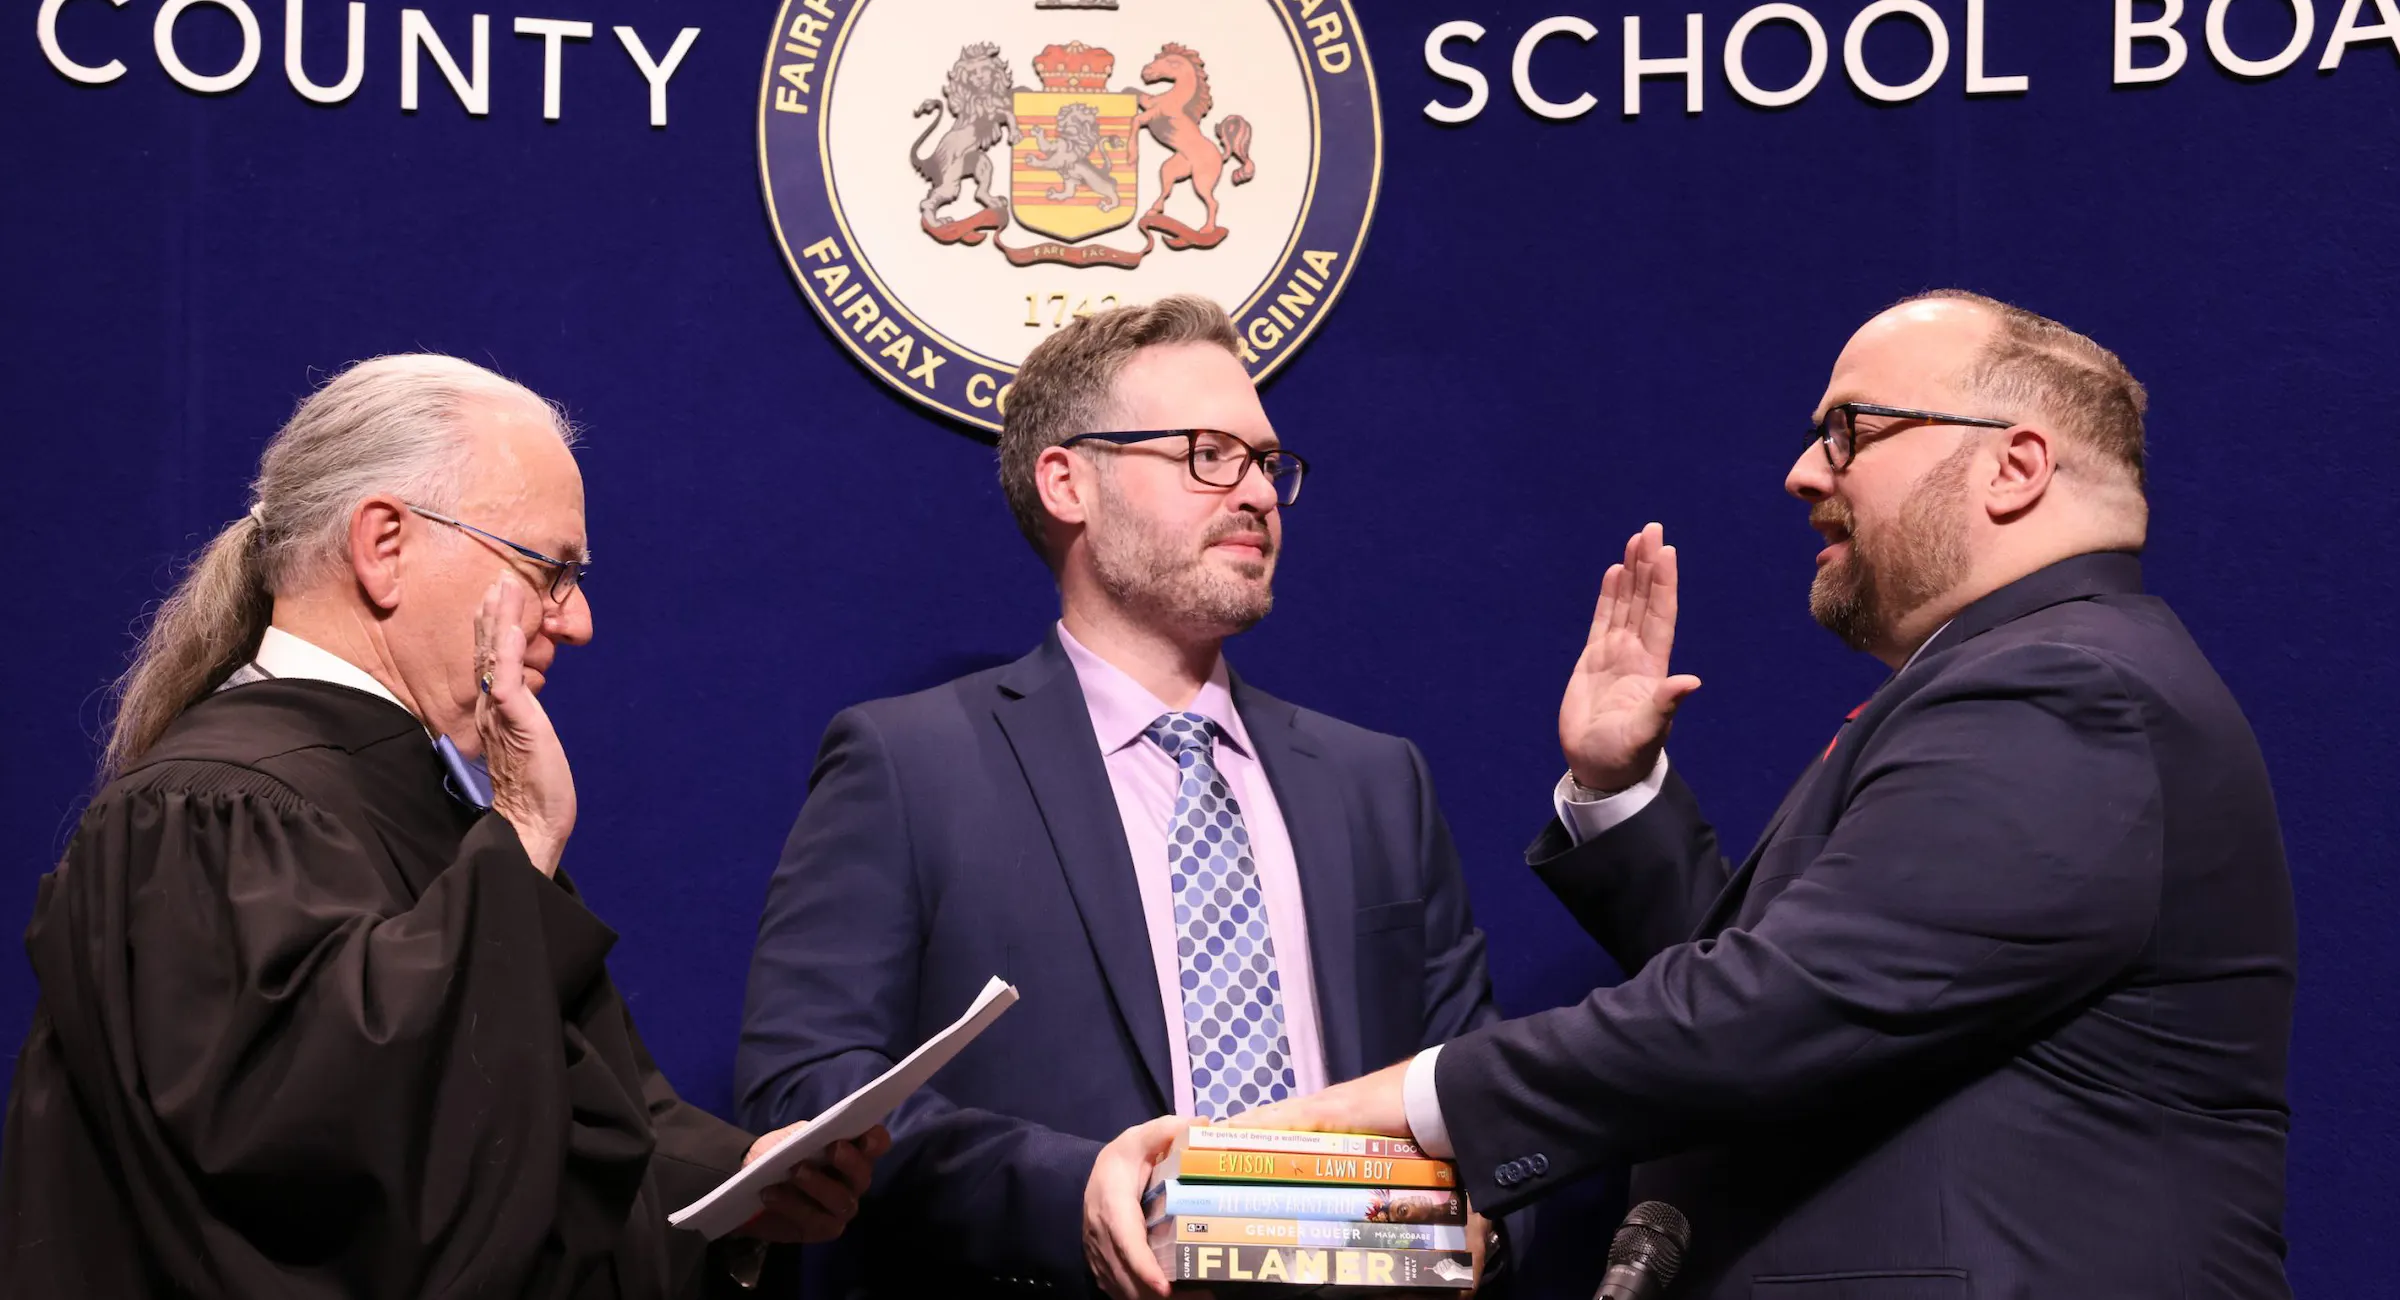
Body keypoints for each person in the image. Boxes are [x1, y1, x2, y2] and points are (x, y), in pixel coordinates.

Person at [1091, 291, 2296, 1298]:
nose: (1803, 472)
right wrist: (1620, 790)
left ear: (2015, 467)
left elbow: (1771, 1012)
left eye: (1850, 430)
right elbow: (1822, 1002)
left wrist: (1334, 1122)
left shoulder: (2067, 693)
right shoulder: (2030, 682)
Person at [0, 355, 887, 1299]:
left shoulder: (416, 800)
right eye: (550, 570)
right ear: (384, 544)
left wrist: (734, 1184)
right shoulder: (216, 813)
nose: (577, 621)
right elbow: (339, 1173)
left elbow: (565, 1106)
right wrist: (524, 837)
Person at [736, 296, 1504, 1297]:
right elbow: (808, 1088)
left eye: (1267, 462)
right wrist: (1076, 1193)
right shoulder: (909, 765)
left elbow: (1475, 1082)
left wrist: (1492, 1213)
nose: (1257, 493)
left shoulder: (1377, 781)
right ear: (1069, 483)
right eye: (1207, 455)